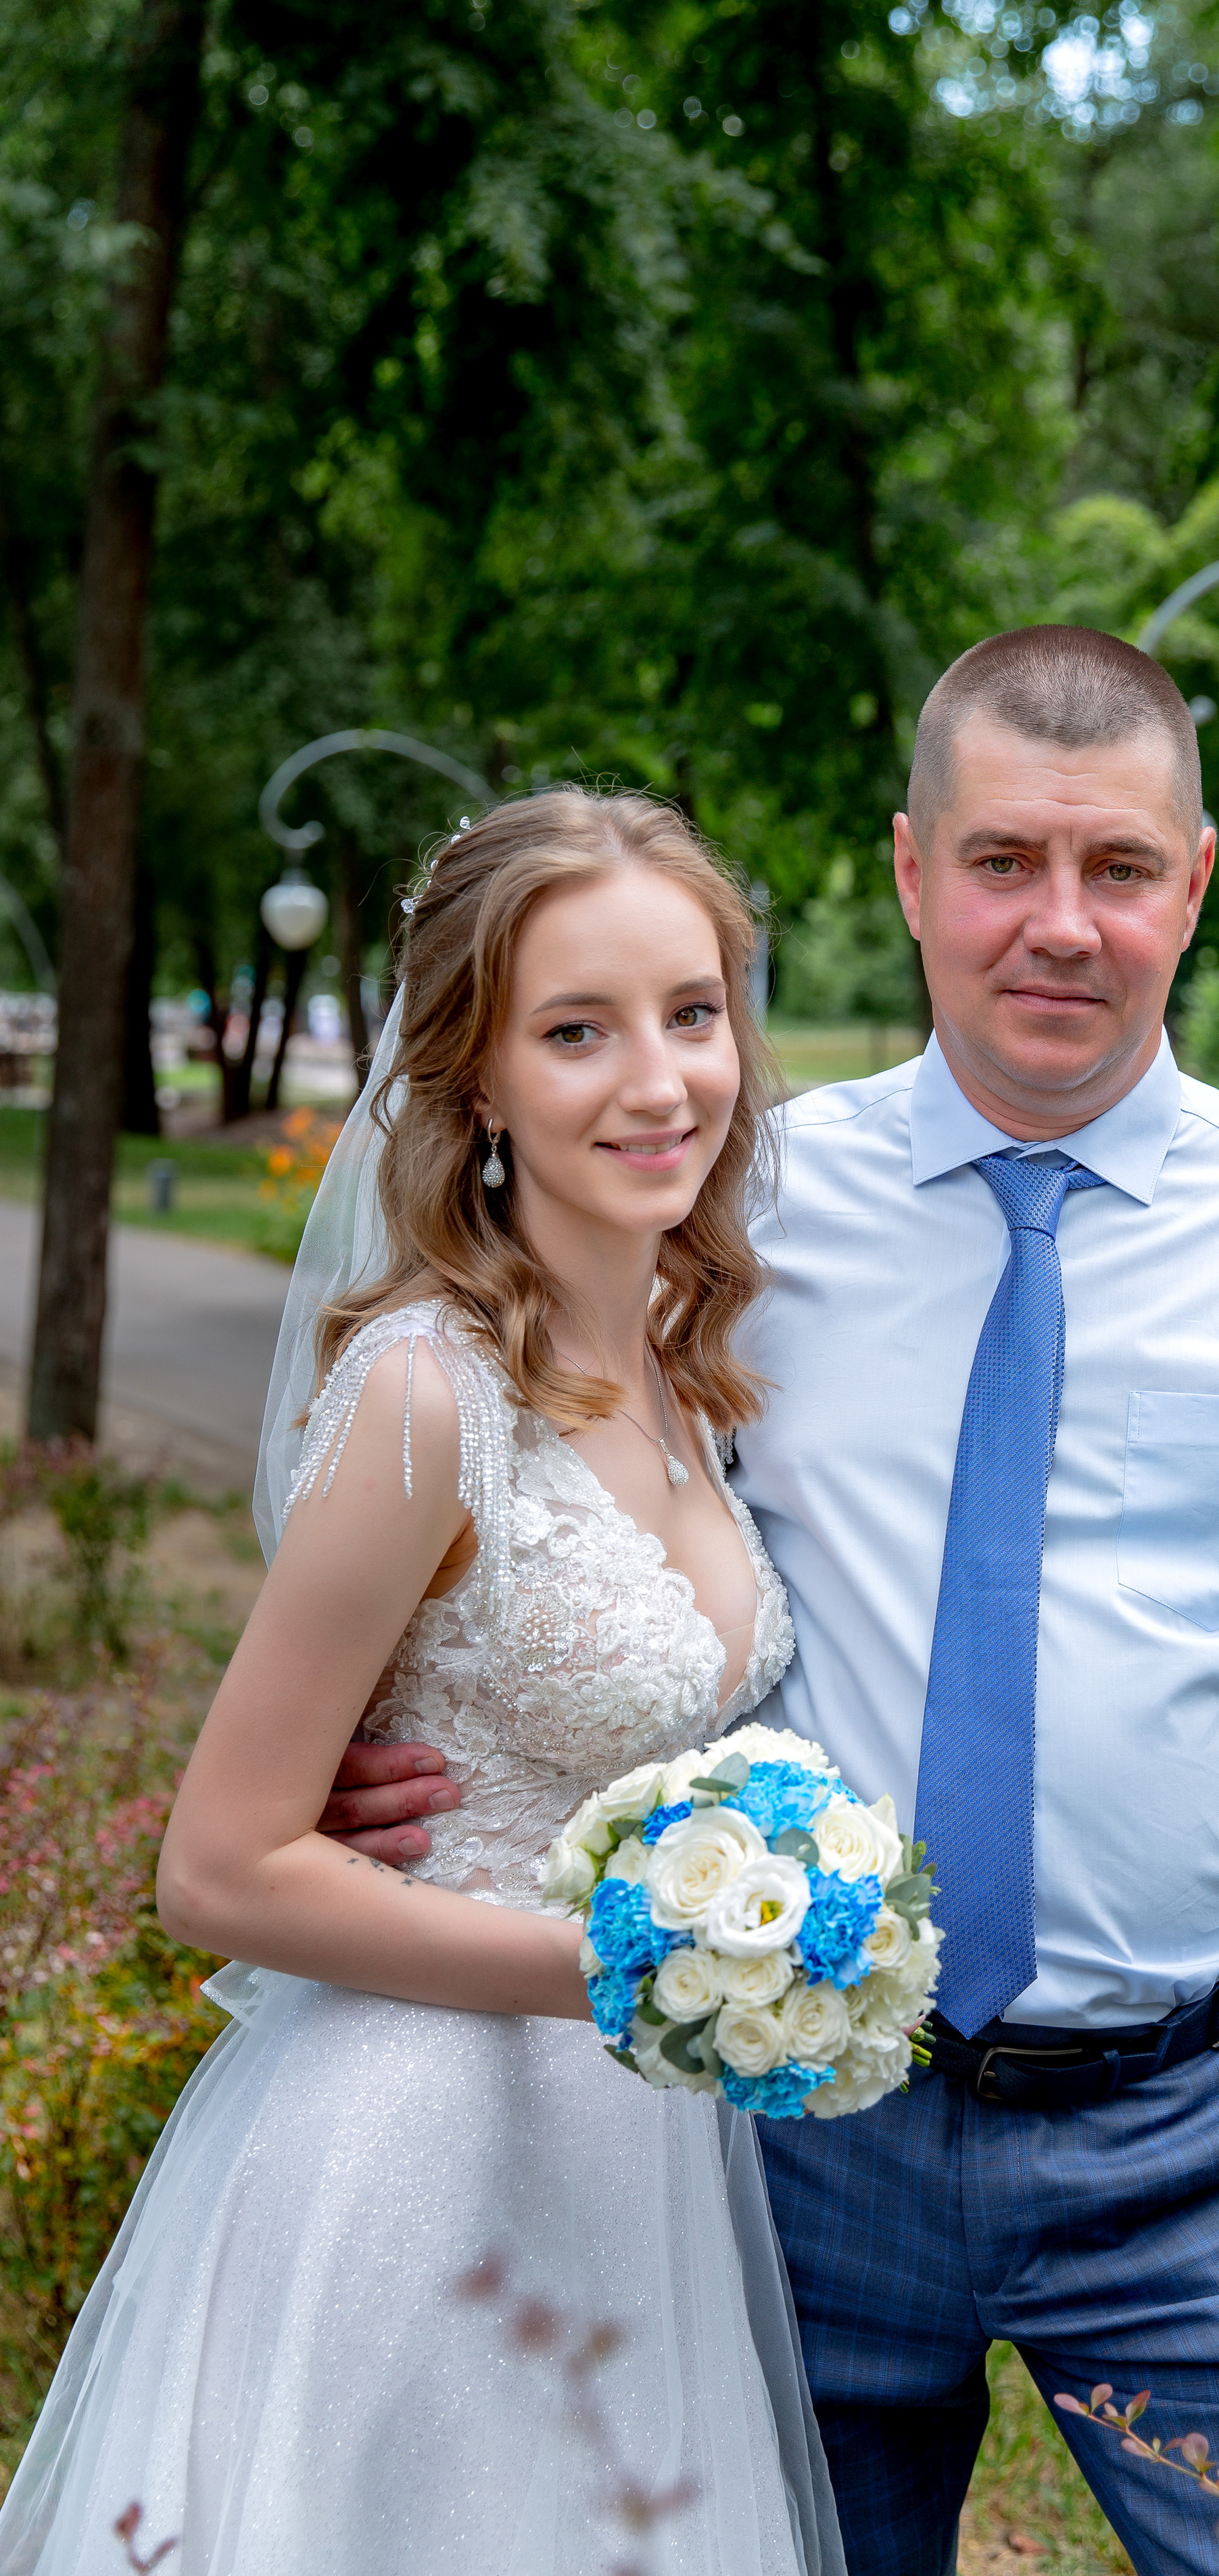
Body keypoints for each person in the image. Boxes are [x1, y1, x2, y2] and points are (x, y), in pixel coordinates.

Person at [331, 627, 1219, 2576]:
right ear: (913, 874)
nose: (1058, 927)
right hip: (780, 2134)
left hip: (1182, 2139)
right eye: (1004, 863)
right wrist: (390, 1754)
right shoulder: (720, 1223)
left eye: (1119, 871)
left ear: (1198, 885)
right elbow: (508, 1494)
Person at [0, 792, 843, 2576]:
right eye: (576, 1031)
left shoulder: (689, 1378)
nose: (659, 1081)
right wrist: (644, 1965)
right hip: (418, 2147)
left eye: (693, 1014)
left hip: (630, 2157)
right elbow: (217, 1868)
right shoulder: (423, 1398)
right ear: (476, 1082)